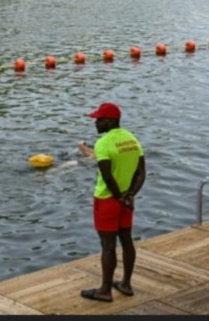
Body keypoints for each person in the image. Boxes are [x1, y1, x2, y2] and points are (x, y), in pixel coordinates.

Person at [79, 102, 146, 303]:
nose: (96, 122)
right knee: (127, 241)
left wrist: (118, 197)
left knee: (107, 245)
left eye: (100, 119)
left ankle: (105, 290)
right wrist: (130, 196)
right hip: (126, 200)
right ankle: (125, 284)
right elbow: (141, 173)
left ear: (112, 120)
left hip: (108, 200)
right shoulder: (132, 139)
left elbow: (107, 177)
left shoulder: (103, 143)